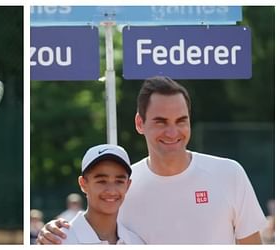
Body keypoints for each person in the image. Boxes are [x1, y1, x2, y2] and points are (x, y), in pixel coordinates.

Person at [37, 76, 267, 244]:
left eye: (180, 120)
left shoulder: (229, 174)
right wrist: (54, 232)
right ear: (140, 123)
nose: (172, 131)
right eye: (160, 121)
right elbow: (91, 225)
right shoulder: (122, 187)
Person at [59, 144, 143, 244]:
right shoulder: (59, 241)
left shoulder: (136, 242)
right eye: (101, 181)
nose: (111, 191)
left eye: (119, 181)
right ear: (83, 184)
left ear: (128, 185)